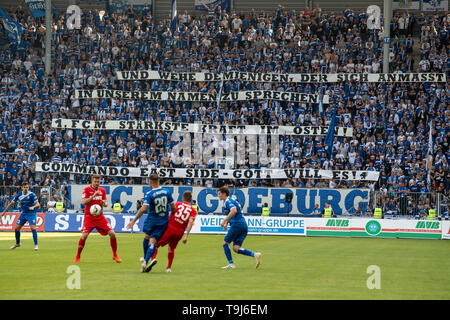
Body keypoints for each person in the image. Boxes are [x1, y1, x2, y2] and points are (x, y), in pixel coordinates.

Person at [126, 174, 176, 273]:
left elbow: (143, 209)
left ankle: (145, 260)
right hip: (163, 221)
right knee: (153, 241)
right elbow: (173, 208)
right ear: (159, 180)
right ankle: (146, 260)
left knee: (146, 237)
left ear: (150, 182)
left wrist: (133, 220)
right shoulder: (167, 192)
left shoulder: (149, 194)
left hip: (152, 220)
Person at [74, 174, 121, 263]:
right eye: (95, 181)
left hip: (100, 217)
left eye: (98, 181)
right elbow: (84, 202)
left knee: (112, 233)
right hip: (89, 218)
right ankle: (78, 256)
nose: (97, 183)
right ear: (92, 181)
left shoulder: (102, 190)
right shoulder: (87, 190)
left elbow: (106, 203)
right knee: (84, 236)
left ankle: (115, 255)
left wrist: (104, 203)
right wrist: (93, 196)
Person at [150, 191, 198, 272]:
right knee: (171, 248)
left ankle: (153, 259)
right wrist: (186, 236)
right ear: (190, 199)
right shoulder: (193, 211)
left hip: (170, 228)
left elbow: (169, 213)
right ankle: (168, 268)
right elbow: (190, 222)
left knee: (155, 244)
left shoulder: (177, 204)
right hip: (179, 232)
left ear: (183, 198)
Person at [217, 186, 262, 269]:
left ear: (224, 194)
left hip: (237, 225)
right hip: (243, 226)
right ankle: (254, 255)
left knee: (225, 243)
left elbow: (234, 211)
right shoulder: (232, 200)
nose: (218, 196)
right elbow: (233, 212)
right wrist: (227, 223)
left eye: (219, 194)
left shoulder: (228, 201)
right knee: (236, 248)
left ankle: (231, 264)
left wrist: (224, 221)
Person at [1, 182, 41, 250]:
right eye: (24, 187)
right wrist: (4, 212)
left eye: (27, 187)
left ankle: (36, 245)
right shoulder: (19, 195)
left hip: (31, 213)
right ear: (22, 188)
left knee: (33, 228)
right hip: (24, 213)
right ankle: (18, 243)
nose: (26, 189)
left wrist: (33, 207)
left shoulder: (32, 194)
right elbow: (11, 204)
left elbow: (38, 204)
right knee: (16, 228)